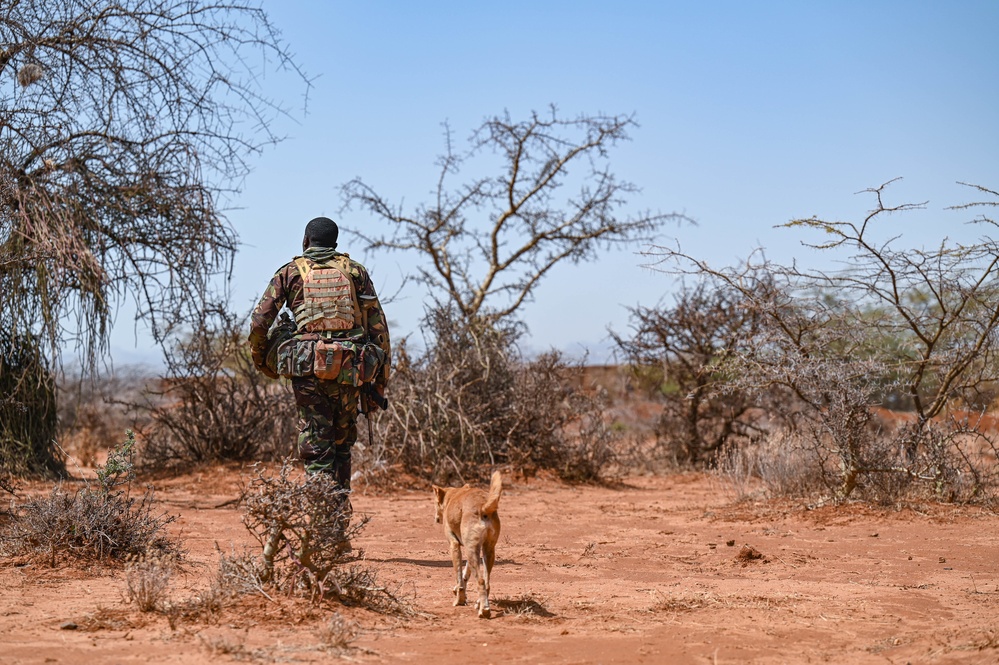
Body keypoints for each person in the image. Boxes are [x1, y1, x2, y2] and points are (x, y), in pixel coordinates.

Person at [247, 216, 391, 499]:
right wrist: (379, 383)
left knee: (316, 444)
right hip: (349, 371)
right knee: (341, 444)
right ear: (335, 244)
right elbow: (379, 330)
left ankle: (320, 517)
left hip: (308, 372)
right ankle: (338, 523)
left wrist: (262, 361)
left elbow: (259, 323)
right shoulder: (356, 273)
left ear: (305, 241)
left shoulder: (289, 273)